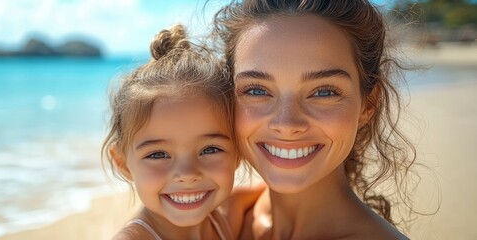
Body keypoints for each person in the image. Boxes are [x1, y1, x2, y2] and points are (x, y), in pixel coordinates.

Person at [211, 0, 417, 239]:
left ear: (368, 105)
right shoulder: (213, 221)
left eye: (324, 92)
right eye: (257, 90)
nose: (287, 124)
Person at [102, 24, 262, 240]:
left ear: (238, 152)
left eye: (210, 149)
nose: (187, 174)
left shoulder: (225, 216)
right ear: (122, 163)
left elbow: (268, 191)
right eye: (157, 154)